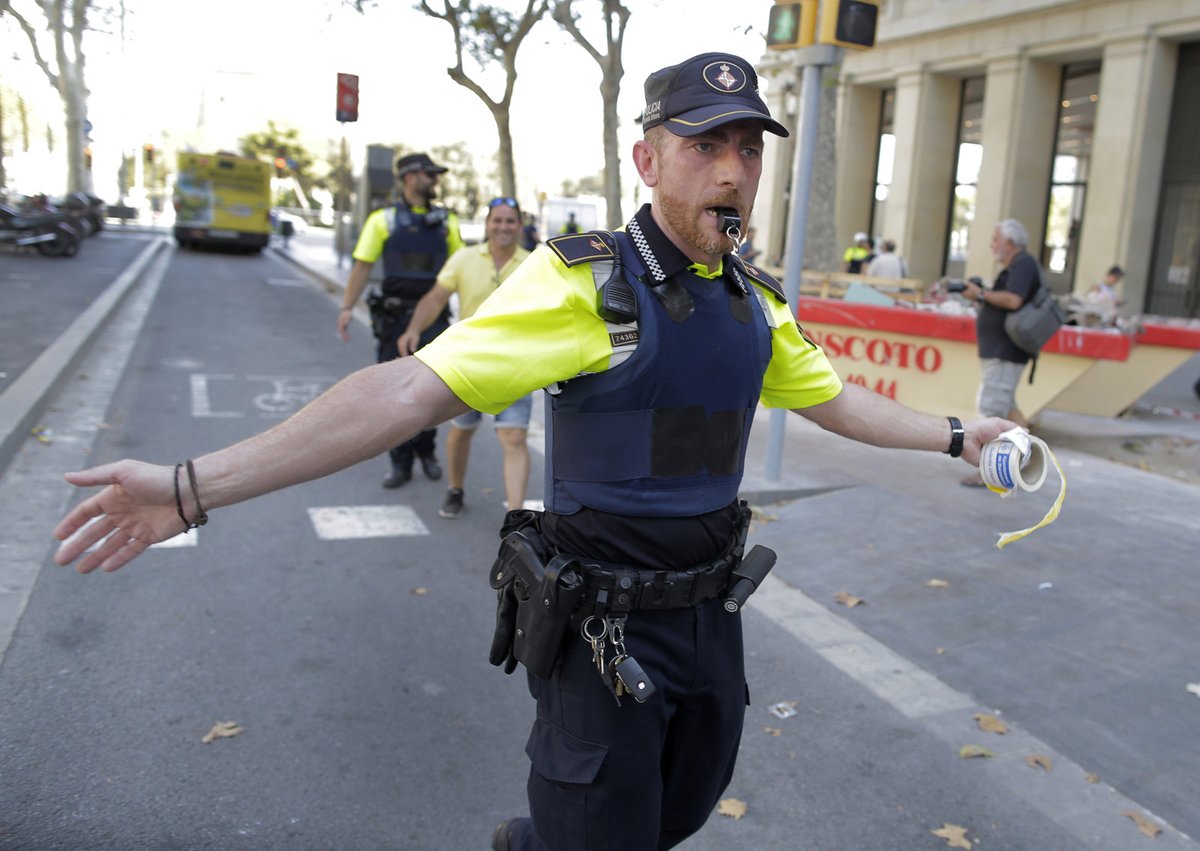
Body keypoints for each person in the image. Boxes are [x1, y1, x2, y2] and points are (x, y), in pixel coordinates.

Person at [52, 51, 1016, 851]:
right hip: (603, 629)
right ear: (648, 160)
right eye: (703, 145)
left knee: (676, 811)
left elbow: (841, 402)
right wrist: (188, 487)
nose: (730, 169)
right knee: (602, 830)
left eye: (745, 149)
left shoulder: (755, 304)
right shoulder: (580, 286)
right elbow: (403, 388)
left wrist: (960, 434)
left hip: (710, 621)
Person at [398, 197, 533, 520]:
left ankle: (515, 518)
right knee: (462, 430)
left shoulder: (534, 263)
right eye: (497, 220)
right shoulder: (464, 258)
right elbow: (435, 297)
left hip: (515, 365)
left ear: (519, 225)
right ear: (487, 224)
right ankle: (455, 488)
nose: (503, 227)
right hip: (469, 363)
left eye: (510, 221)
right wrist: (414, 329)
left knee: (514, 437)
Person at [336, 152, 465, 489]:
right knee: (393, 393)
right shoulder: (383, 220)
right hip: (394, 317)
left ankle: (427, 453)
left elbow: (461, 268)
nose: (435, 181)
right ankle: (400, 462)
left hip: (434, 318)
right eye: (430, 174)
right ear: (410, 177)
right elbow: (362, 265)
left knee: (434, 390)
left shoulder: (447, 221)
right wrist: (347, 307)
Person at [960, 219, 1040, 486]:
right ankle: (1028, 456)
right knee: (1006, 406)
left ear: (1009, 243)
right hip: (1003, 350)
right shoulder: (1017, 266)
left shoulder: (1024, 264)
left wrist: (981, 293)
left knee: (992, 409)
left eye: (995, 239)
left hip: (1006, 351)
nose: (992, 245)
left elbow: (1013, 300)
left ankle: (991, 470)